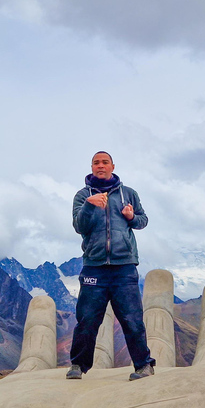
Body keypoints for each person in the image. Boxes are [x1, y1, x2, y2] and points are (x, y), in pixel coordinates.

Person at [67, 151, 155, 381]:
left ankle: (144, 365)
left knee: (132, 318)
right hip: (94, 267)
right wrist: (89, 205)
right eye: (96, 163)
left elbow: (143, 221)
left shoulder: (128, 194)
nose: (100, 166)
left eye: (105, 162)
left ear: (113, 166)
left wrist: (131, 217)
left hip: (124, 267)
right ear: (91, 167)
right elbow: (79, 226)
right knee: (87, 319)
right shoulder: (82, 196)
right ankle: (78, 365)